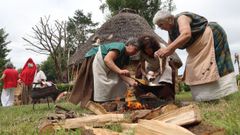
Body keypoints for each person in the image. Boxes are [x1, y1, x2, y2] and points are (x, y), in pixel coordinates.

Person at [153, 10, 238, 101]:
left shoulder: (181, 18)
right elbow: (170, 49)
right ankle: (205, 98)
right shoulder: (170, 32)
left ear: (169, 19)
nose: (160, 28)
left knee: (214, 64)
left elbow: (186, 34)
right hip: (196, 47)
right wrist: (160, 52)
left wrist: (168, 49)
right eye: (158, 26)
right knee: (193, 69)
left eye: (161, 25)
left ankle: (222, 95)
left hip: (211, 36)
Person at [69, 38, 140, 106]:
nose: (135, 53)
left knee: (119, 82)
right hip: (94, 58)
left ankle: (112, 102)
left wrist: (131, 81)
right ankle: (90, 103)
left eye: (137, 51)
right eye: (135, 49)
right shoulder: (120, 46)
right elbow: (107, 60)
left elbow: (121, 74)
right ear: (129, 44)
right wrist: (119, 70)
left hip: (105, 66)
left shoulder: (126, 58)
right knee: (93, 82)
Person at [137, 35, 175, 101]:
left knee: (166, 73)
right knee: (145, 78)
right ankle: (148, 98)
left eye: (149, 48)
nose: (147, 50)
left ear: (153, 46)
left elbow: (163, 66)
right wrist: (146, 75)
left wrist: (157, 74)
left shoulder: (161, 48)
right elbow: (142, 68)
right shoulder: (142, 53)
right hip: (151, 67)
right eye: (145, 49)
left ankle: (165, 98)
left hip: (163, 66)